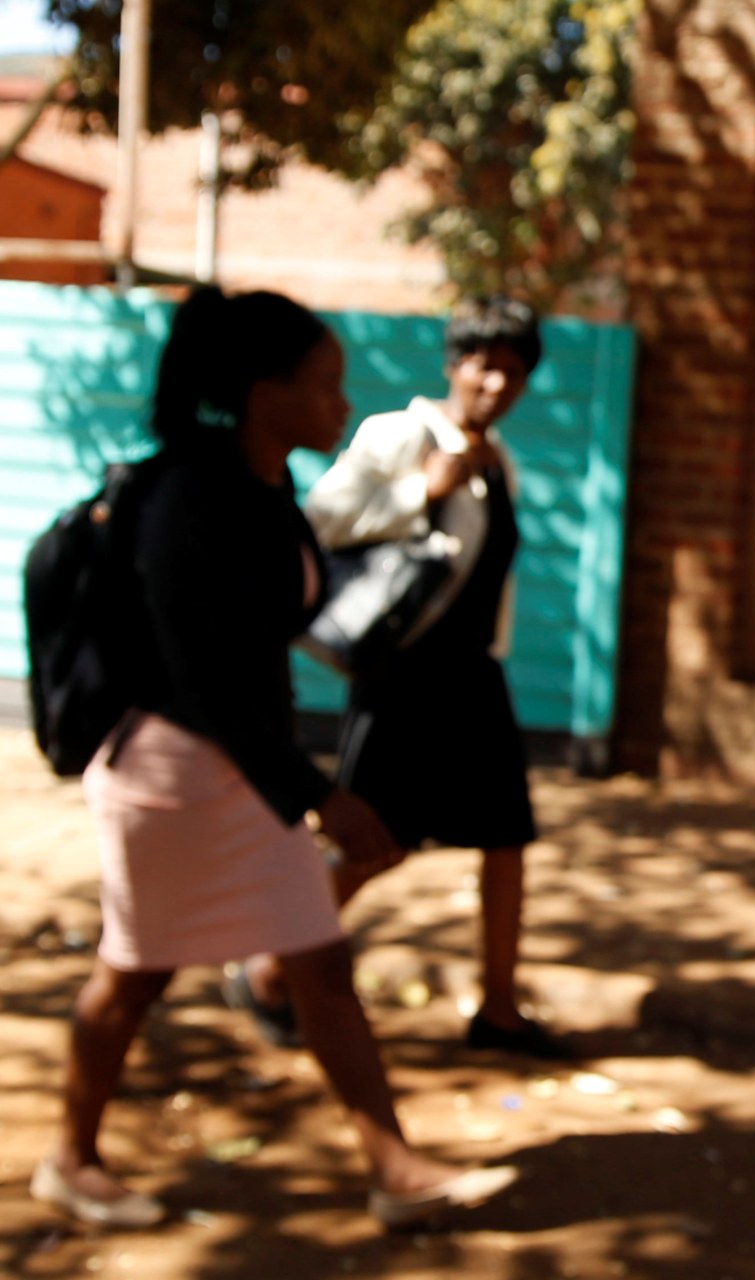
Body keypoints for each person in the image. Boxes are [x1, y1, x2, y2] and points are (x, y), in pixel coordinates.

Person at [32, 287, 516, 1230]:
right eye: (325, 385)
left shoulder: (262, 489)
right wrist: (315, 795)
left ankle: (395, 1170)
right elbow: (201, 678)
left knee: (320, 965)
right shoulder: (187, 496)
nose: (343, 405)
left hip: (242, 770)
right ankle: (69, 1159)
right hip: (172, 776)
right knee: (135, 971)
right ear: (265, 391)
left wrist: (296, 783)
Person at [268, 295, 564, 1059]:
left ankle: (498, 1007)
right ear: (453, 366)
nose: (497, 384)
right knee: (373, 842)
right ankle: (268, 973)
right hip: (405, 678)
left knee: (506, 840)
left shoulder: (505, 462)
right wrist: (418, 494)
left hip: (474, 678)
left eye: (514, 371)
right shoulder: (401, 434)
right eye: (483, 366)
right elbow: (324, 518)